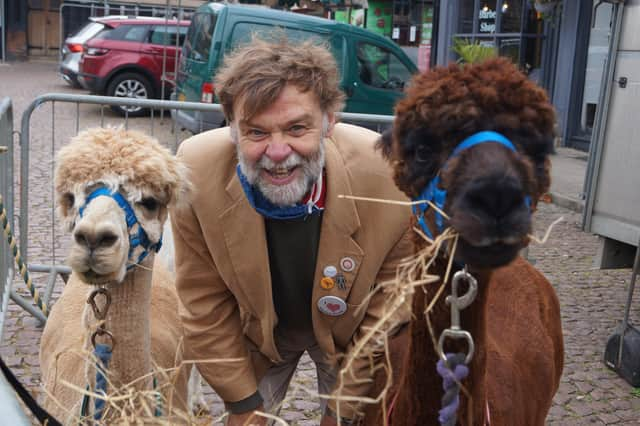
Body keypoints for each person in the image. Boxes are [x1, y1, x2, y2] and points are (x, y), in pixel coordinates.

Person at [171, 37, 413, 425]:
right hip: (261, 333)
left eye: (297, 128)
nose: (278, 151)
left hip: (351, 335)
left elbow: (392, 298)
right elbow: (203, 300)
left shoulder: (385, 172)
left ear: (330, 122)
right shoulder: (196, 173)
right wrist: (243, 401)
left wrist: (344, 407)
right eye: (256, 133)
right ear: (232, 129)